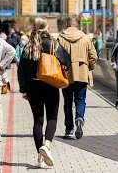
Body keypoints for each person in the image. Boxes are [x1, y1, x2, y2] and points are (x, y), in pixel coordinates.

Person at [18, 17, 71, 168]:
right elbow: (67, 62)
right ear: (46, 27)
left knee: (38, 120)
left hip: (33, 87)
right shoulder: (54, 44)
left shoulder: (28, 46)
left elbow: (22, 71)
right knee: (52, 118)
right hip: (50, 84)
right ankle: (47, 146)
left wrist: (23, 89)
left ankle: (39, 158)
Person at [58, 16, 97, 140]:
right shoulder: (86, 38)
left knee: (67, 103)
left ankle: (69, 129)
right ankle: (79, 118)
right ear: (77, 25)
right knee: (80, 100)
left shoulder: (60, 38)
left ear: (66, 24)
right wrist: (89, 67)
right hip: (81, 73)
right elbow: (93, 56)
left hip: (66, 74)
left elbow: (56, 56)